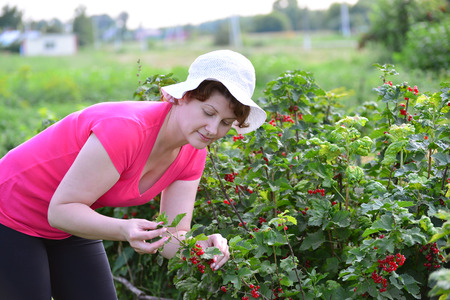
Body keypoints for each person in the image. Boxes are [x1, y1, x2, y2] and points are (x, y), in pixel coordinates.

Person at [0, 49, 266, 299]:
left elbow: (172, 237)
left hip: (71, 220)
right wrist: (123, 229)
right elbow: (60, 211)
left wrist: (203, 245)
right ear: (184, 96)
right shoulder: (127, 130)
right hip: (11, 209)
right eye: (208, 112)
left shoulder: (193, 152)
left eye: (225, 123)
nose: (212, 129)